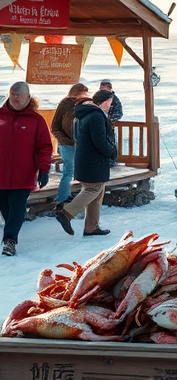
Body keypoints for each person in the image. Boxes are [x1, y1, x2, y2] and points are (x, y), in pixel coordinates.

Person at [55, 89, 117, 238]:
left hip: (86, 158)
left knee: (98, 190)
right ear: (106, 101)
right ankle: (66, 213)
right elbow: (100, 141)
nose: (111, 106)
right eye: (110, 102)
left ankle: (91, 227)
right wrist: (111, 151)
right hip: (93, 160)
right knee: (93, 188)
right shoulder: (95, 115)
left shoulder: (85, 114)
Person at [0, 82, 52, 256]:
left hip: (24, 174)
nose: (16, 97)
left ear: (28, 97)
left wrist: (44, 170)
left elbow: (44, 147)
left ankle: (9, 240)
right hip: (0, 174)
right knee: (5, 207)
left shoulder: (36, 120)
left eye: (20, 95)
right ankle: (12, 231)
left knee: (17, 206)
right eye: (13, 94)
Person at [51, 83, 90, 204]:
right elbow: (54, 126)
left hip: (82, 144)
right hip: (67, 143)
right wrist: (63, 139)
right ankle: (62, 198)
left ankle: (81, 196)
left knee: (83, 170)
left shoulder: (87, 104)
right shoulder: (65, 104)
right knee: (69, 170)